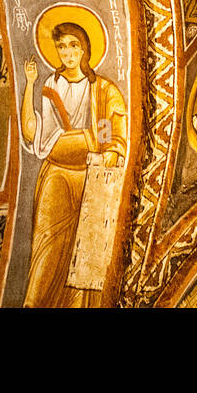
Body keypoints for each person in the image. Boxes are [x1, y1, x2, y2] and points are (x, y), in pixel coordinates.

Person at [20, 22, 127, 307]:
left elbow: (109, 131)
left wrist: (109, 149)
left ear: (84, 49)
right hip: (56, 176)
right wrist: (30, 84)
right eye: (61, 46)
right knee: (48, 245)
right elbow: (34, 134)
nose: (67, 52)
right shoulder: (50, 86)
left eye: (73, 45)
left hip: (89, 178)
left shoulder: (102, 89)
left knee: (84, 251)